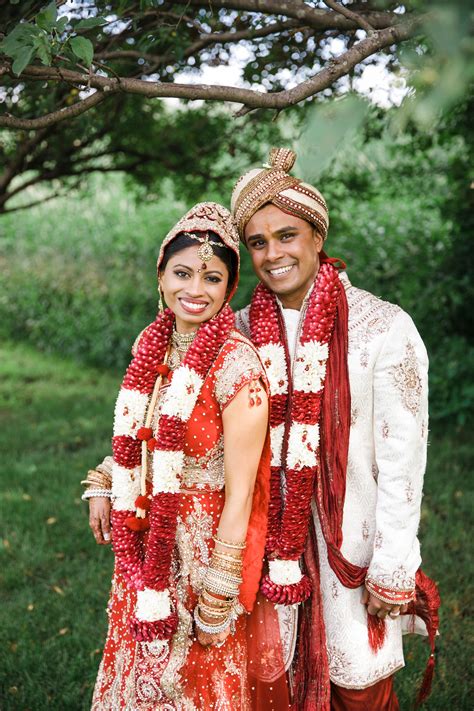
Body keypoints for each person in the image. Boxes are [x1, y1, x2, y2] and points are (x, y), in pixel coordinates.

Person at [231, 148, 440, 711]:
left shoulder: (382, 327)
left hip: (355, 545)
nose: (273, 254)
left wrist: (395, 564)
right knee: (268, 688)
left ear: (318, 237)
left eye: (287, 235)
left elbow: (403, 462)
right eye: (257, 242)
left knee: (359, 691)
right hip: (265, 548)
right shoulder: (239, 330)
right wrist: (109, 476)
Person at [82, 202, 288, 709]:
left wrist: (219, 593)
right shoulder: (151, 344)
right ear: (161, 275)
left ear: (228, 287)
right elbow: (140, 437)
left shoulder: (237, 365)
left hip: (202, 550)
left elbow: (241, 494)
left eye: (211, 278)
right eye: (182, 273)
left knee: (194, 684)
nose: (194, 290)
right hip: (148, 536)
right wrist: (106, 482)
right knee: (138, 679)